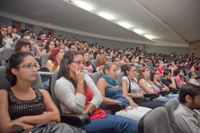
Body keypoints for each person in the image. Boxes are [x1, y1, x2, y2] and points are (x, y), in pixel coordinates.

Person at [55, 51, 139, 133]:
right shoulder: (62, 83)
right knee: (127, 124)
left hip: (96, 114)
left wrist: (87, 110)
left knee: (135, 124)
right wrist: (80, 82)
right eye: (78, 62)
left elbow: (98, 96)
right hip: (79, 121)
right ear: (67, 63)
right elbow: (78, 108)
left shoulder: (85, 77)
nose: (82, 66)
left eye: (83, 63)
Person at [0, 52, 83, 133]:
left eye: (35, 66)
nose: (34, 70)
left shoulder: (43, 93)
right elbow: (5, 127)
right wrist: (42, 122)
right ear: (15, 71)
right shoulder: (4, 94)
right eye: (28, 66)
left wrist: (22, 120)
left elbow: (56, 117)